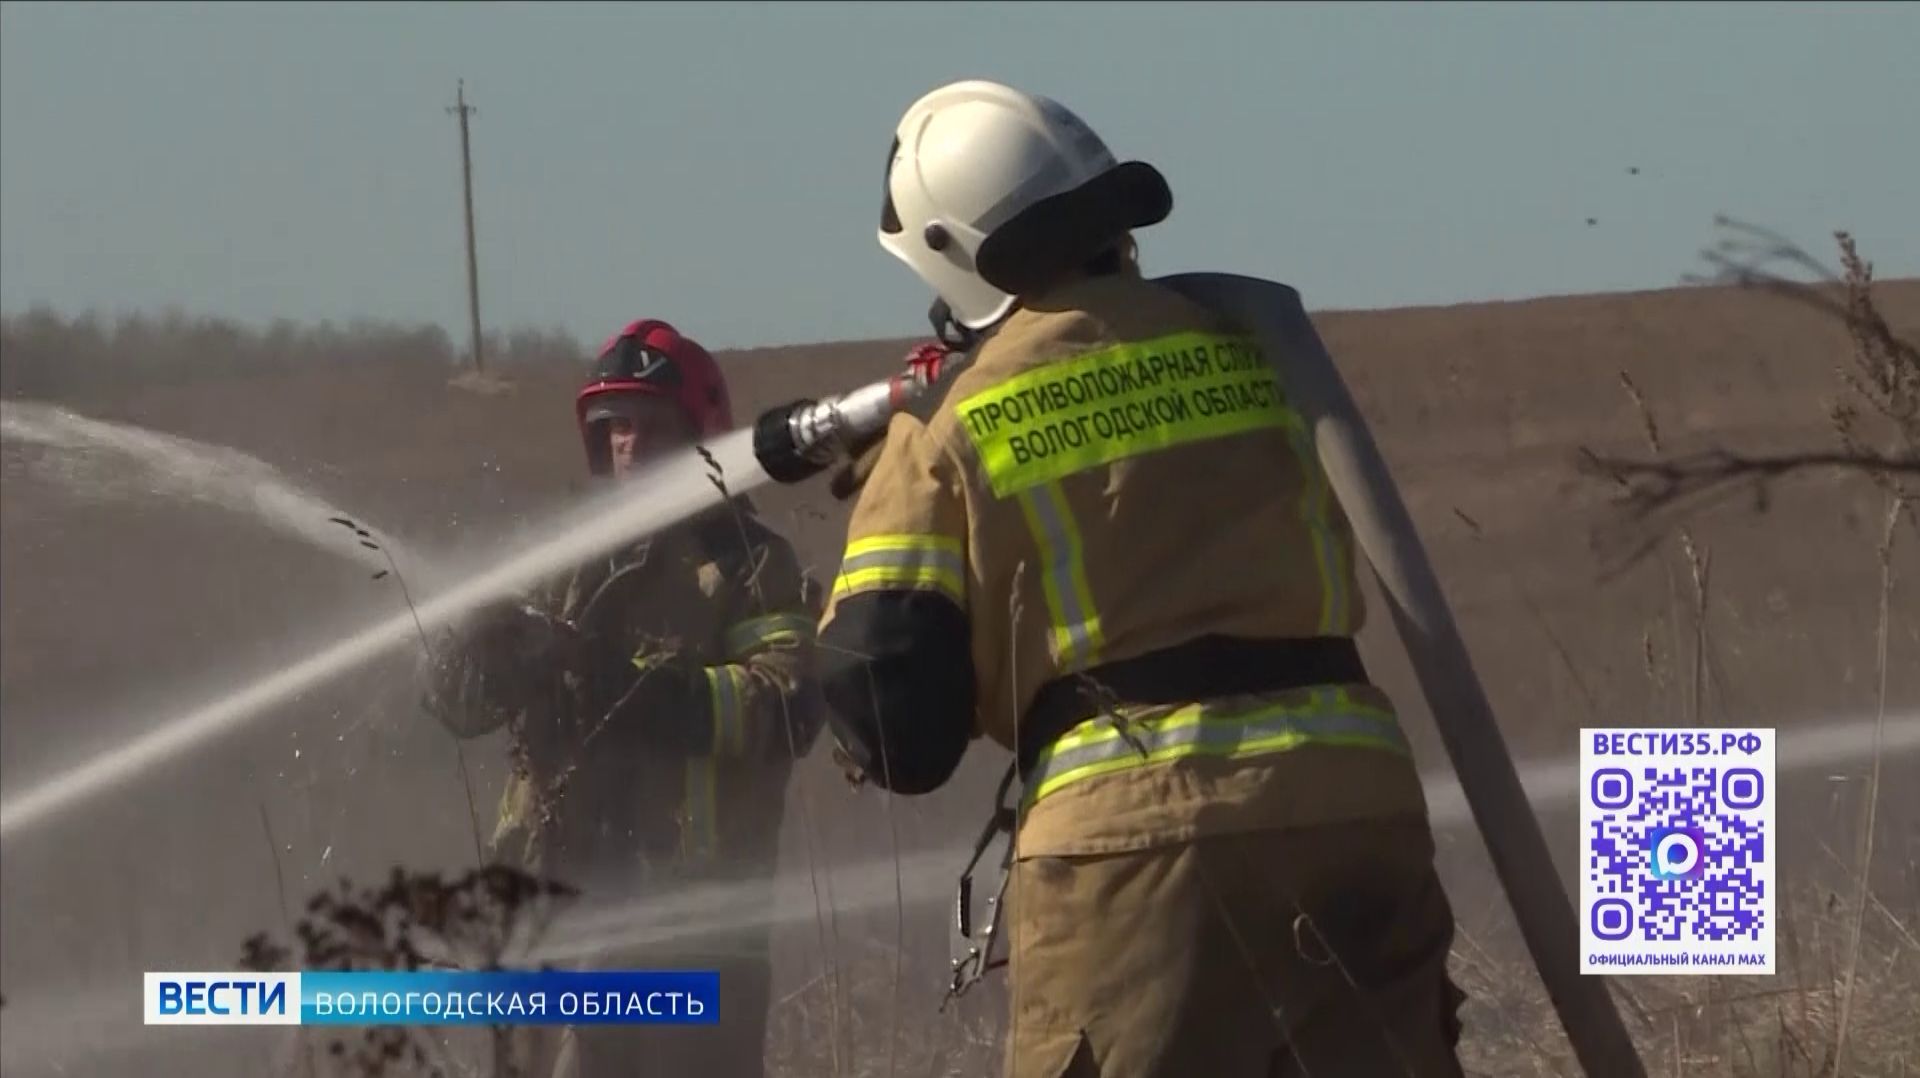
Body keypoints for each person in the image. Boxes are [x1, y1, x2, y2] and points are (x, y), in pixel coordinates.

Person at [815, 80, 1469, 1077]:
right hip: (1356, 804)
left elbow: (892, 717)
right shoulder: (1250, 344)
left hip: (1137, 842)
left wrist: (897, 479)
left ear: (948, 258)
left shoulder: (949, 424)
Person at [421, 318, 826, 1078]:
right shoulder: (562, 563)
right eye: (614, 430)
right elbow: (457, 707)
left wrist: (625, 686)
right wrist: (478, 660)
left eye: (649, 427)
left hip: (692, 934)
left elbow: (784, 705)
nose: (629, 446)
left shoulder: (747, 565)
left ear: (699, 435)